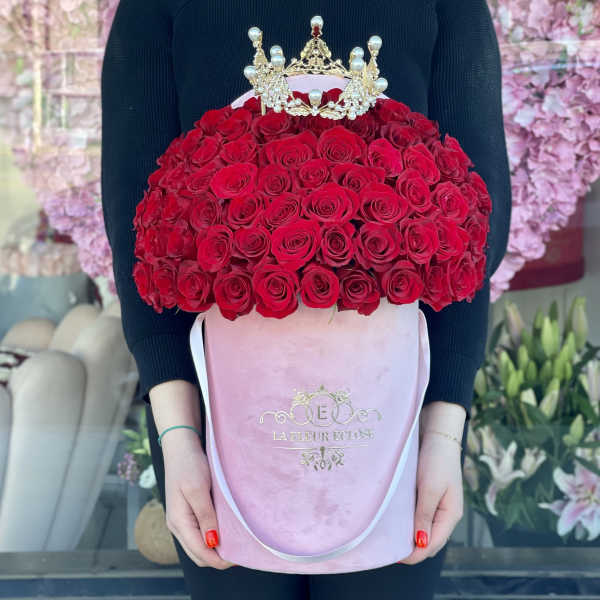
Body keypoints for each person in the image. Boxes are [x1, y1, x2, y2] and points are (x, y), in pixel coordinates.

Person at [100, 0, 512, 598]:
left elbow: (473, 225)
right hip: (211, 423)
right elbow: (138, 226)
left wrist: (444, 428)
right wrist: (178, 433)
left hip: (398, 423)